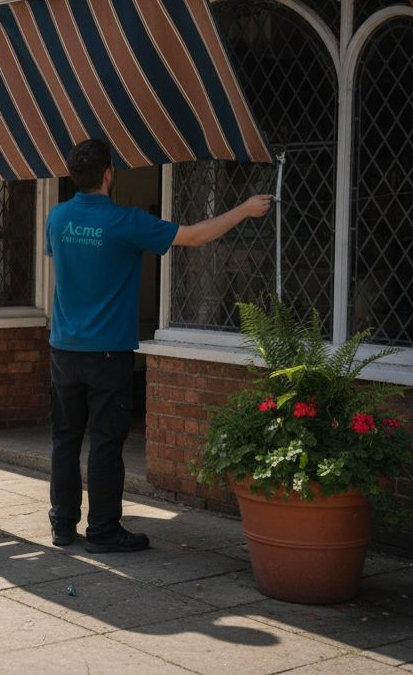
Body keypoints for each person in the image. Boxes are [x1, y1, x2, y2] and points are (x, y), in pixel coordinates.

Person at [45, 139, 273, 553]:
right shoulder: (124, 222)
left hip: (63, 349)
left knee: (65, 439)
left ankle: (62, 526)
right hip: (107, 352)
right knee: (106, 442)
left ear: (73, 176)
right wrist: (244, 209)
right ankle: (102, 531)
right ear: (109, 174)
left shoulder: (57, 218)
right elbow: (194, 237)